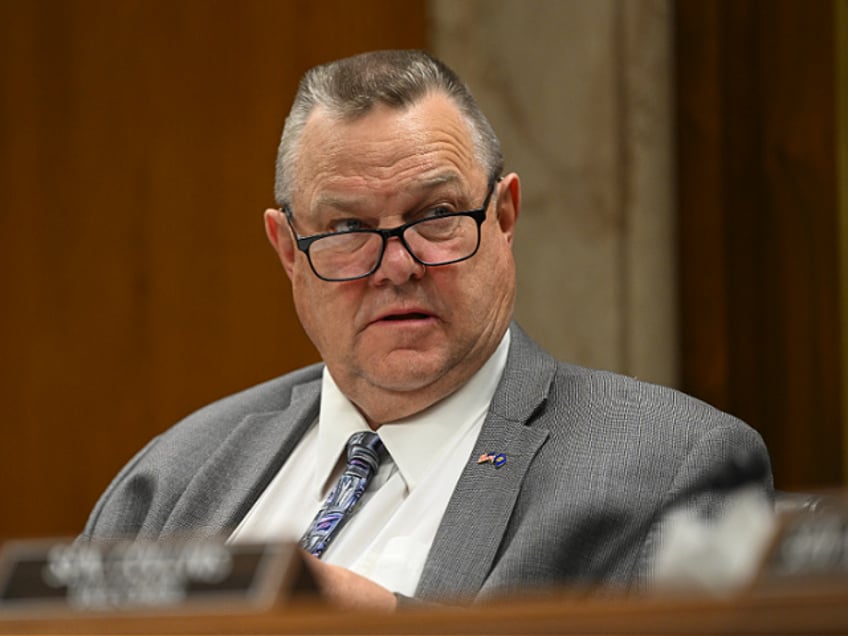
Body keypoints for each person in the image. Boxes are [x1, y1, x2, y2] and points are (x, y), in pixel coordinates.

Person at [82, 50, 773, 609]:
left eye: (436, 214)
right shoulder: (173, 477)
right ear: (289, 252)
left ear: (504, 216)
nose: (397, 266)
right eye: (348, 228)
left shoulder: (669, 467)